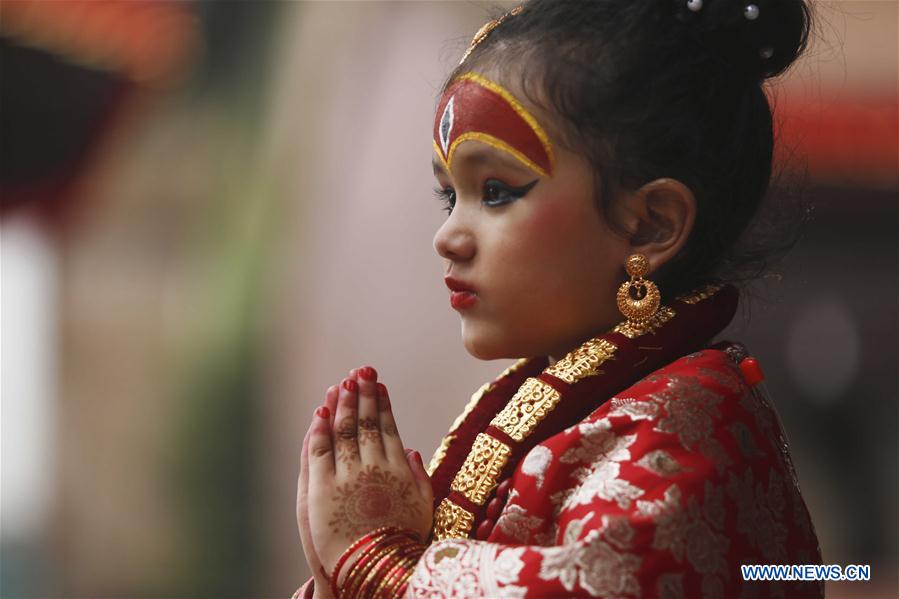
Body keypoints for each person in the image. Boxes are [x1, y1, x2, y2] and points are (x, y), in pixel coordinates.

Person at [294, 0, 822, 596]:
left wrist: (376, 566)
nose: (448, 236)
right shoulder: (577, 400)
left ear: (650, 225)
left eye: (496, 191)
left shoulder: (687, 432)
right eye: (450, 197)